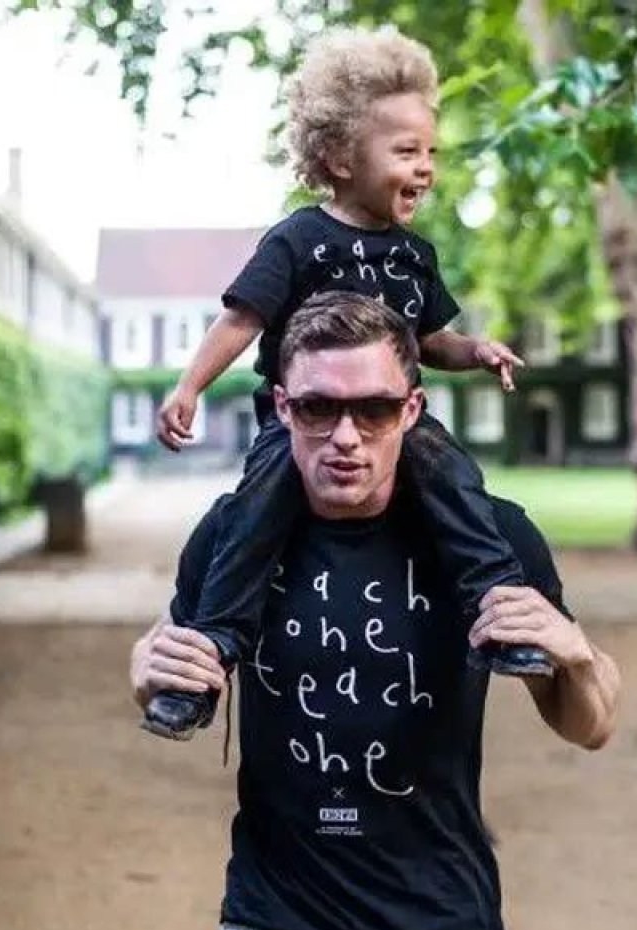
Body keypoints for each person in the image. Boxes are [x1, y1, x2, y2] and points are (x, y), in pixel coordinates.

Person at [131, 293, 620, 930]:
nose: (346, 437)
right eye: (318, 408)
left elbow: (590, 725)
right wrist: (145, 668)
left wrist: (577, 655)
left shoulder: (493, 538)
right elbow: (166, 654)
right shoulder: (233, 535)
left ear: (413, 410)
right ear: (282, 407)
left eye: (376, 409)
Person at [142, 26, 553, 742]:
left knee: (457, 481)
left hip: (395, 419)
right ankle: (210, 653)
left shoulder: (415, 256)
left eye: (431, 153)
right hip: (299, 423)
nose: (425, 168)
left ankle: (497, 607)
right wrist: (189, 387)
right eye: (406, 152)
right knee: (253, 514)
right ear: (338, 157)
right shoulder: (297, 240)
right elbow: (242, 320)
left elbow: (429, 340)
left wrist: (476, 351)